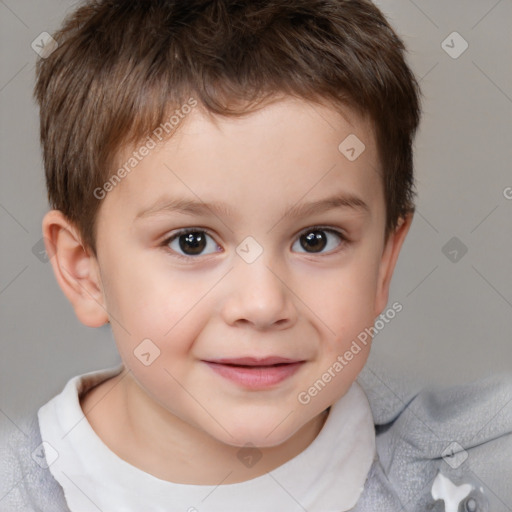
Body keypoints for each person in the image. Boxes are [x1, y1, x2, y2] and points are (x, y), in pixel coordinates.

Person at [1, 1, 511, 510]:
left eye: (316, 239)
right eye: (192, 241)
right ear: (83, 270)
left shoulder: (479, 472)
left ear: (383, 264)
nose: (263, 304)